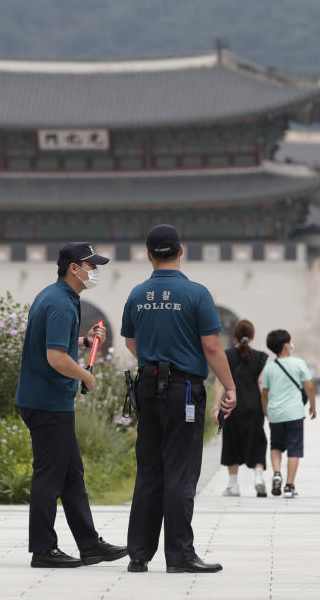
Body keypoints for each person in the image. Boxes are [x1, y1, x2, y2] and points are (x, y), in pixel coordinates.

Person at [121, 224, 237, 574]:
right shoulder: (196, 294)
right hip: (183, 389)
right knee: (181, 472)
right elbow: (212, 346)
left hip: (146, 387)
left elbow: (130, 343)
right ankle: (180, 555)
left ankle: (138, 554)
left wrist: (155, 357)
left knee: (150, 470)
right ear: (181, 250)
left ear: (149, 254)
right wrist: (230, 386)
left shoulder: (137, 294)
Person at [15, 242, 128, 568]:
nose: (94, 271)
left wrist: (84, 340)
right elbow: (55, 358)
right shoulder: (62, 304)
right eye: (90, 266)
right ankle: (43, 549)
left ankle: (90, 544)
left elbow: (52, 342)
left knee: (71, 474)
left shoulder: (55, 297)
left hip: (47, 400)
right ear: (73, 268)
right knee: (50, 476)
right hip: (48, 402)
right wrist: (87, 377)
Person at [260, 329, 316, 499]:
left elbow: (264, 393)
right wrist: (313, 406)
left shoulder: (269, 368)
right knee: (294, 449)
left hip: (275, 413)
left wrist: (265, 411)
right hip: (294, 413)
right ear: (286, 346)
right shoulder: (298, 363)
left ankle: (277, 473)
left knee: (275, 446)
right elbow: (310, 387)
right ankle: (289, 486)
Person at [218, 319, 269, 497]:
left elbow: (219, 383)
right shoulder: (261, 358)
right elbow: (261, 384)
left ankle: (233, 485)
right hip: (254, 407)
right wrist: (265, 408)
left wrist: (216, 408)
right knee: (257, 441)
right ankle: (259, 478)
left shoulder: (226, 356)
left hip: (232, 407)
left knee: (231, 442)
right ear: (252, 336)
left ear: (234, 335)